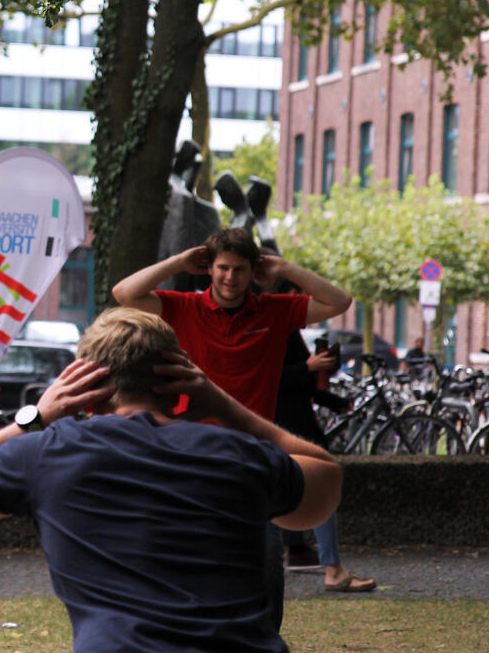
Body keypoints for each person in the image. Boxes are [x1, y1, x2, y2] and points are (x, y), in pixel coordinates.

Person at [0, 308, 342, 653]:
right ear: (178, 387)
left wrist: (34, 419)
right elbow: (324, 483)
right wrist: (224, 406)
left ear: (84, 395)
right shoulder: (240, 454)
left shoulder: (49, 452)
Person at [111, 226, 352, 627]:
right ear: (209, 268)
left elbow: (339, 302)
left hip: (252, 453)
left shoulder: (274, 310)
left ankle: (264, 637)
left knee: (264, 559)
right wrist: (178, 262)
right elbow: (125, 293)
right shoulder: (184, 306)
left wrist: (284, 268)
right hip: (189, 449)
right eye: (222, 267)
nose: (230, 277)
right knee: (188, 556)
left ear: (252, 270)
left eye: (239, 269)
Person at [275, 328, 376, 592]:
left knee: (285, 491)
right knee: (321, 490)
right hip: (289, 427)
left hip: (289, 425)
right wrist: (308, 367)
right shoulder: (276, 328)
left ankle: (298, 551)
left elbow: (302, 385)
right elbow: (268, 377)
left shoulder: (287, 331)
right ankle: (331, 568)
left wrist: (333, 396)